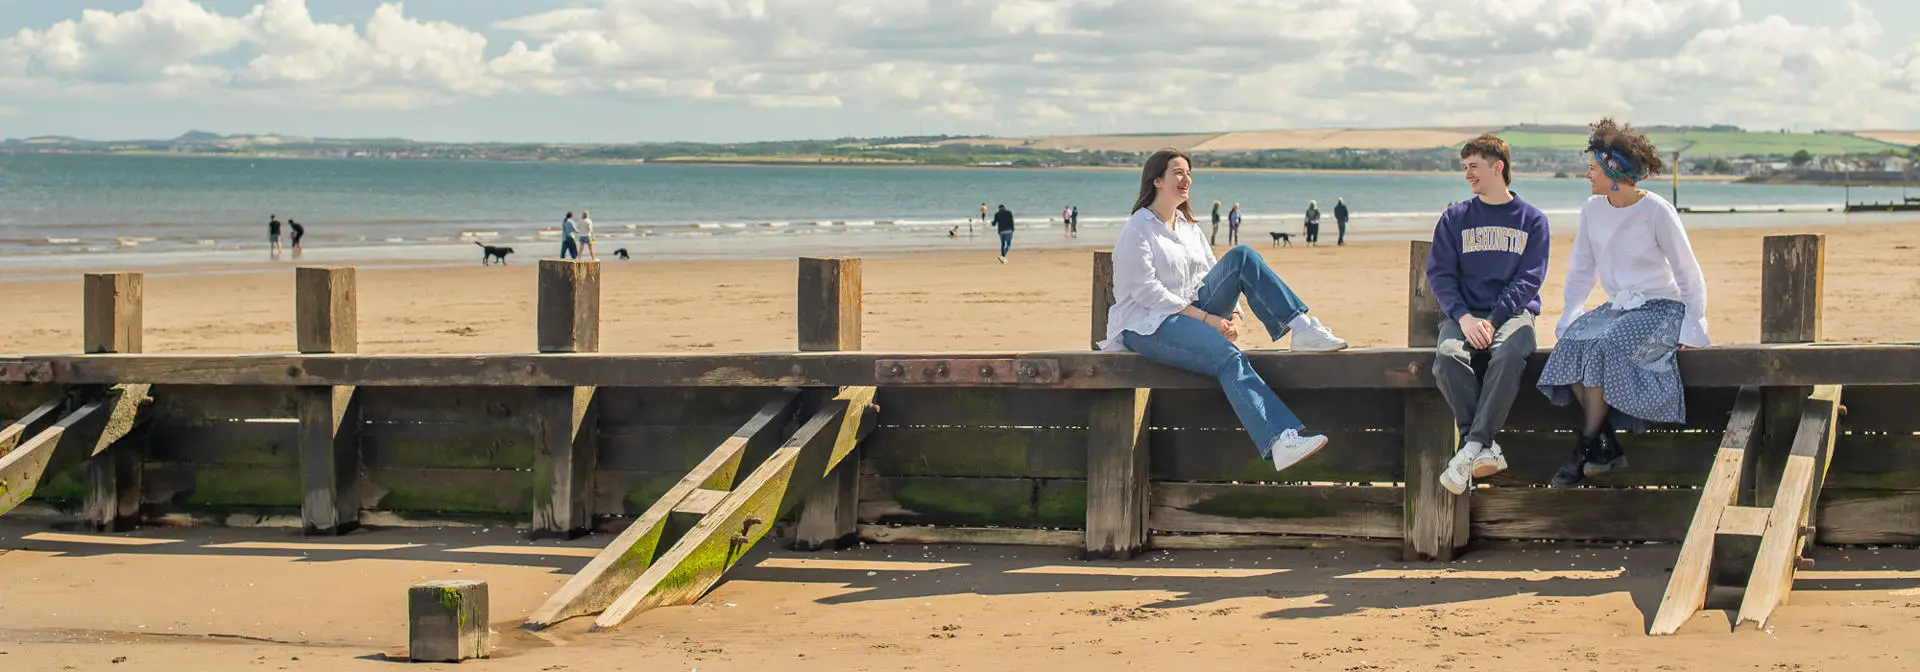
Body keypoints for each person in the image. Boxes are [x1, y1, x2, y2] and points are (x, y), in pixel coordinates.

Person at [1099, 149, 1349, 473]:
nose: (1185, 178)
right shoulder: (1139, 228)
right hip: (1148, 325)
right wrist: (1206, 320)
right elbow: (1146, 292)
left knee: (1242, 256)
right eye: (1177, 172)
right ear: (1157, 180)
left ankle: (1301, 328)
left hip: (1191, 312)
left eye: (1188, 172)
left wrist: (1235, 317)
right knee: (1228, 358)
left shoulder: (1190, 227)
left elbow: (1214, 274)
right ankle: (1280, 441)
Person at [1536, 118, 1710, 487]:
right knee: (1570, 346)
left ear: (1614, 172)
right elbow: (1582, 266)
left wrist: (1694, 324)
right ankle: (1605, 445)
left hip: (1662, 307)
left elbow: (1687, 272)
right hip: (1618, 306)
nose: (1588, 175)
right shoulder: (1592, 210)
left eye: (1593, 168)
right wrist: (1571, 312)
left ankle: (1585, 447)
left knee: (1604, 348)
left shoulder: (1657, 211)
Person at [1427, 134, 1551, 495]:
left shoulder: (1533, 221)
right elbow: (1440, 274)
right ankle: (1481, 446)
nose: (1468, 175)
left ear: (1498, 167)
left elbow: (1529, 279)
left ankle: (1470, 446)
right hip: (1465, 313)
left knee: (1510, 354)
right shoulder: (1454, 218)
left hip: (1512, 315)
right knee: (1447, 358)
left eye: (1474, 167)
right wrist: (1464, 317)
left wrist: (1494, 320)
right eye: (1465, 168)